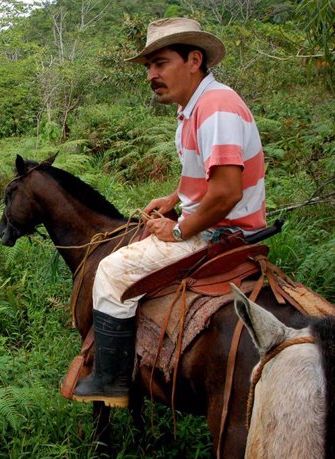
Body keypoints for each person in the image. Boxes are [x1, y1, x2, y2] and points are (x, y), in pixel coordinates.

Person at [72, 17, 267, 407]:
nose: (151, 75)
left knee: (111, 270)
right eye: (148, 67)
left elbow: (226, 192)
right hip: (211, 221)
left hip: (220, 231)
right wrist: (174, 198)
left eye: (160, 63)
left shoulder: (216, 106)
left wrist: (179, 230)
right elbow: (204, 172)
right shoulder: (193, 108)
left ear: (194, 60)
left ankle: (112, 382)